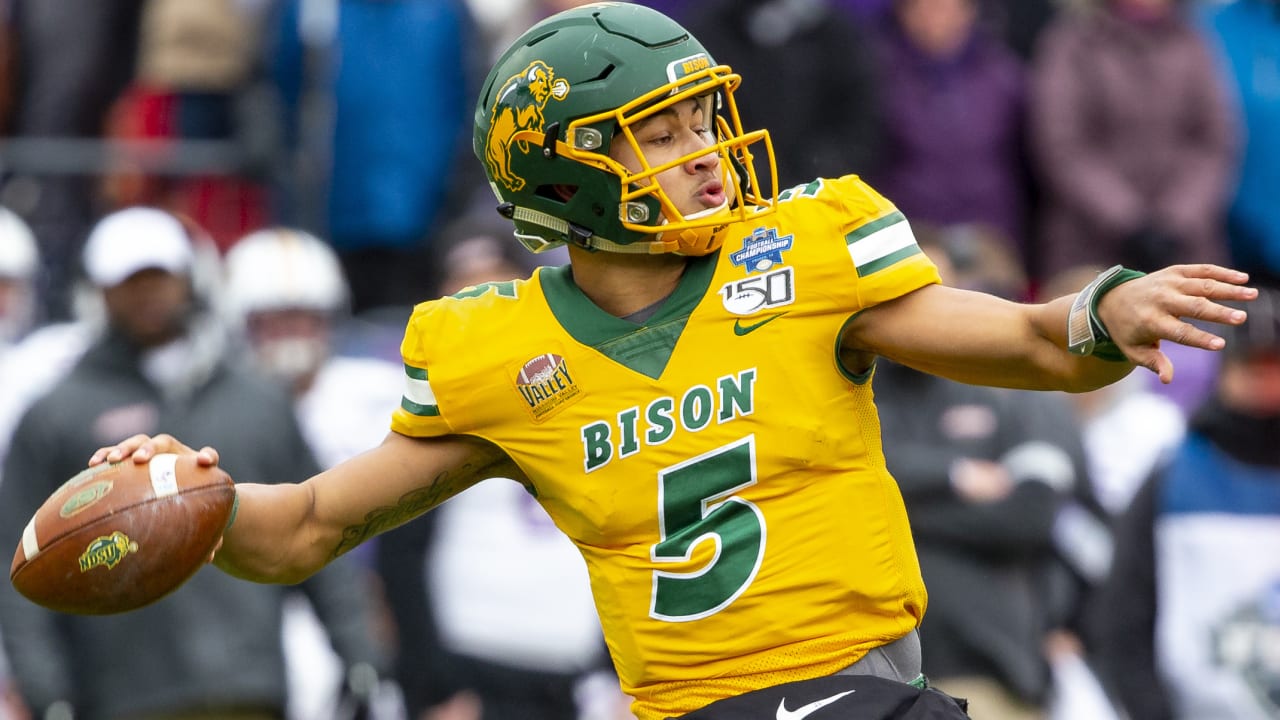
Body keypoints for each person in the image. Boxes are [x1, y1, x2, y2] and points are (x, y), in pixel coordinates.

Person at [84, 5, 1255, 720]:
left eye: (699, 120)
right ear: (564, 168)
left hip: (859, 687)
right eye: (659, 132)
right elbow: (305, 527)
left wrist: (1105, 312)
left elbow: (1016, 340)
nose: (702, 153)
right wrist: (195, 498)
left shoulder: (800, 253)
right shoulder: (496, 351)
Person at [0, 207, 389, 720]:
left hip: (249, 686)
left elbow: (316, 525)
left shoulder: (256, 398)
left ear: (188, 279)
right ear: (100, 291)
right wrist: (46, 688)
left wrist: (358, 654)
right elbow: (23, 559)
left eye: (159, 278)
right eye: (129, 282)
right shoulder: (56, 414)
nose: (148, 295)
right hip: (122, 694)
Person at [222, 227, 407, 719]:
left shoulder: (380, 394)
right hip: (255, 607)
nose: (292, 337)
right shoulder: (220, 407)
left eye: (304, 319)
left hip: (363, 595)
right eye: (274, 322)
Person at [1087, 285, 1280, 720]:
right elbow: (1124, 616)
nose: (1267, 382)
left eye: (1276, 366)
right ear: (1226, 372)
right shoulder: (1173, 478)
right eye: (1254, 367)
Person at [1027, 0, 1237, 279]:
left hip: (1186, 251)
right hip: (1091, 253)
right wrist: (1129, 223)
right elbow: (1063, 145)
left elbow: (1214, 142)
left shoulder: (1195, 43)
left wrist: (1175, 221)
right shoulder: (1072, 44)